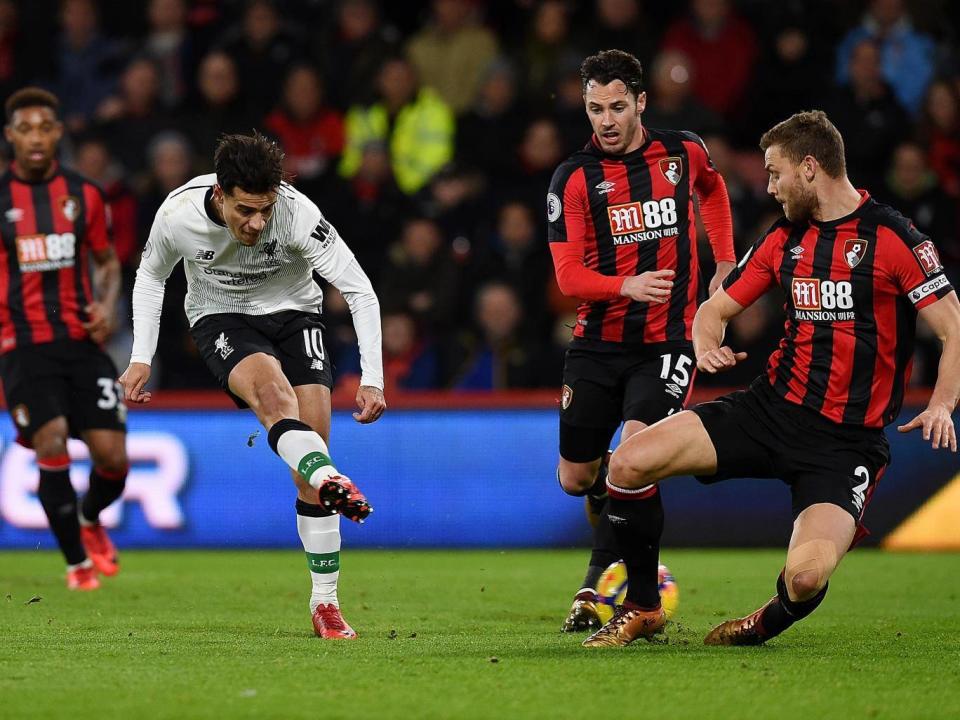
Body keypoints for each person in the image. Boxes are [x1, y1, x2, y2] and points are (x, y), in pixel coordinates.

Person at [584, 110, 959, 647]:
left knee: (805, 579)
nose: (770, 186)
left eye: (775, 172)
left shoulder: (892, 237)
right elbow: (713, 312)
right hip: (769, 412)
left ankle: (763, 624)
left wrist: (943, 402)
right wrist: (705, 346)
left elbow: (954, 327)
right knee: (627, 460)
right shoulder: (785, 238)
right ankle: (644, 606)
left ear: (810, 168)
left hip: (845, 445)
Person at [118, 132, 386, 640]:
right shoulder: (178, 214)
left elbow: (358, 289)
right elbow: (151, 276)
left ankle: (325, 603)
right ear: (219, 193)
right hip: (220, 317)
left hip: (296, 315)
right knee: (274, 399)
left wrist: (372, 377)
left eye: (265, 209)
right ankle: (330, 478)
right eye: (246, 210)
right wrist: (139, 357)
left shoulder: (298, 214)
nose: (257, 223)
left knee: (309, 465)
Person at [547, 50, 735, 634]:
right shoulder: (573, 177)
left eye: (617, 106)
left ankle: (620, 591)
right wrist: (624, 284)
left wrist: (724, 264)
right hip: (598, 344)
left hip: (668, 343)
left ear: (641, 103)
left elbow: (714, 189)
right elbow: (567, 277)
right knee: (577, 478)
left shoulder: (682, 151)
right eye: (594, 107)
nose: (605, 119)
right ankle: (615, 550)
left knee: (635, 454)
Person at [0, 87, 128, 591]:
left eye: (44, 127)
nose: (35, 137)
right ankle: (77, 566)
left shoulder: (85, 195)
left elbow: (107, 263)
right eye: (25, 128)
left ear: (58, 133)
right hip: (23, 346)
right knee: (50, 442)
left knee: (112, 459)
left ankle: (90, 519)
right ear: (10, 136)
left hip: (81, 342)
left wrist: (107, 306)